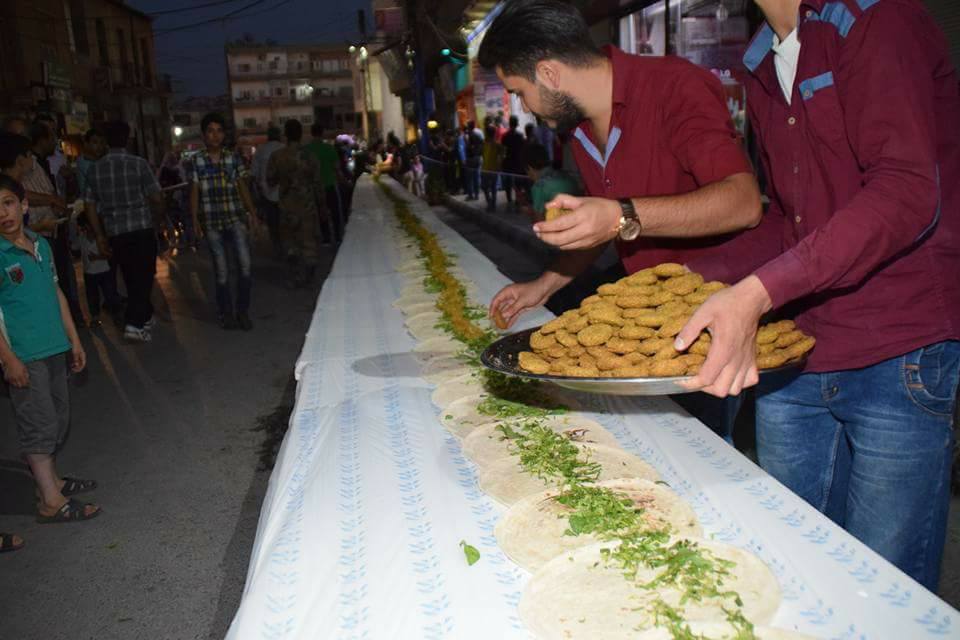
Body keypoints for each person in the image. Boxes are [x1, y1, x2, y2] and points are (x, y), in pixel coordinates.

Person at [667, 0, 960, 591]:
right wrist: (687, 276)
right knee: (790, 558)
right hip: (798, 349)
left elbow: (906, 192)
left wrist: (758, 292)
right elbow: (790, 219)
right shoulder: (762, 59)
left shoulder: (875, 19)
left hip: (898, 349)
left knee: (882, 585)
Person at [481, 0, 761, 442]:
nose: (524, 106)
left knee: (698, 453)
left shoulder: (674, 87)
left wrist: (622, 213)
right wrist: (546, 284)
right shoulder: (579, 130)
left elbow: (744, 203)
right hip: (644, 326)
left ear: (549, 73)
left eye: (519, 92)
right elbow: (608, 224)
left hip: (708, 323)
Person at [0, 174, 100, 524]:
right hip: (24, 355)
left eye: (8, 203)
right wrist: (8, 359)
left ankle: (53, 481)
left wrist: (74, 339)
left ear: (24, 205)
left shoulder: (40, 245)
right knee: (38, 422)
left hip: (54, 346)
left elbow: (56, 293)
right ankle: (50, 501)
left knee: (58, 416)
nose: (2, 213)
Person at [84, 120, 166, 343]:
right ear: (127, 138)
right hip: (141, 228)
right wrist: (157, 220)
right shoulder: (138, 164)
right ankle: (134, 323)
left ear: (106, 141)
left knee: (130, 277)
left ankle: (145, 317)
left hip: (115, 233)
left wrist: (100, 235)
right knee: (145, 276)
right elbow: (157, 197)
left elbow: (89, 205)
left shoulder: (95, 169)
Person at [188, 113, 259, 331]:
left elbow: (242, 186)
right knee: (221, 271)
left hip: (235, 218)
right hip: (211, 222)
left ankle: (242, 311)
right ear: (204, 135)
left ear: (224, 134)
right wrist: (194, 219)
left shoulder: (233, 158)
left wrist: (252, 213)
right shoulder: (196, 160)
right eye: (210, 131)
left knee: (245, 266)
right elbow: (194, 190)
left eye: (219, 131)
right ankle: (226, 313)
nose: (215, 135)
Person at [20, 122, 84, 326]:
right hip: (40, 234)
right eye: (52, 136)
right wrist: (50, 201)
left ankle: (71, 320)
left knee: (60, 278)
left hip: (52, 230)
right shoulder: (25, 169)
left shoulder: (43, 164)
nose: (55, 141)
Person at [267, 119, 324, 289]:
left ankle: (295, 277)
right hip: (307, 207)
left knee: (290, 244)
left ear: (285, 135)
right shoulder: (310, 156)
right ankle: (309, 277)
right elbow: (318, 183)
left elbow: (270, 181)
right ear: (301, 135)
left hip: (287, 208)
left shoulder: (277, 156)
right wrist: (323, 206)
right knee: (309, 242)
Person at [77, 213, 121, 327]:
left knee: (110, 294)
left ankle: (116, 315)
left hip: (104, 271)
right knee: (92, 297)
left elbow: (110, 255)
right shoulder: (81, 237)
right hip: (89, 273)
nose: (86, 228)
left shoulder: (101, 238)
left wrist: (97, 257)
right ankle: (95, 317)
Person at [304, 124, 343, 243]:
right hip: (329, 185)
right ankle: (337, 236)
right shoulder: (329, 148)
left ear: (311, 133)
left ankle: (326, 238)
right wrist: (344, 182)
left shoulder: (306, 150)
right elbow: (337, 169)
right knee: (334, 211)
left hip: (314, 187)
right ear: (322, 133)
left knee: (321, 212)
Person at [523, 142, 580, 221]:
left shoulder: (539, 186)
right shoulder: (566, 176)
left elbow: (540, 221)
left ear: (530, 168)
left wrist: (530, 213)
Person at [251, 126, 284, 257]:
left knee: (272, 222)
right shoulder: (284, 148)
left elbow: (254, 173)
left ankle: (277, 246)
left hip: (266, 192)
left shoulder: (261, 150)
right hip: (284, 192)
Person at [500, 115, 527, 209]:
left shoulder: (505, 136)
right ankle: (517, 200)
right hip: (517, 161)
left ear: (510, 124)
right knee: (518, 182)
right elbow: (523, 149)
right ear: (516, 124)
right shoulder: (520, 135)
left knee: (508, 181)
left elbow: (503, 150)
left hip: (508, 161)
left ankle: (509, 199)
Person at [480, 124, 504, 212]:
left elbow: (502, 154)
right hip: (490, 169)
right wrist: (499, 164)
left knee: (487, 187)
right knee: (490, 187)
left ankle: (491, 204)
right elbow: (502, 154)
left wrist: (499, 164)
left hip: (488, 169)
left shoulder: (496, 144)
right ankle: (491, 203)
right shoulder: (487, 143)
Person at [464, 121, 483, 202]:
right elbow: (482, 144)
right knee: (476, 177)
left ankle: (471, 195)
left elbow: (469, 147)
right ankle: (477, 195)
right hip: (477, 158)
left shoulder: (469, 136)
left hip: (471, 158)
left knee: (469, 178)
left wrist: (467, 143)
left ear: (469, 127)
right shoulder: (478, 135)